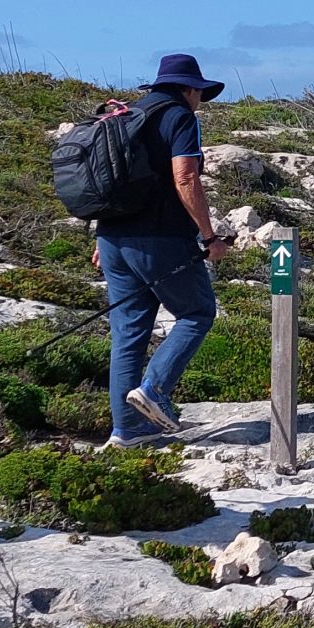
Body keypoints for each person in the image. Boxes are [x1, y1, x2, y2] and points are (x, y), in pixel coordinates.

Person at [97, 54, 233, 442]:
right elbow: (185, 176)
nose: (200, 101)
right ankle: (155, 388)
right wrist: (208, 236)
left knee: (128, 333)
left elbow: (110, 182)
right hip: (159, 237)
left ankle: (128, 429)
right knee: (197, 312)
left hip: (112, 239)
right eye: (200, 94)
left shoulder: (124, 118)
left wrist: (103, 240)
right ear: (189, 89)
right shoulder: (180, 117)